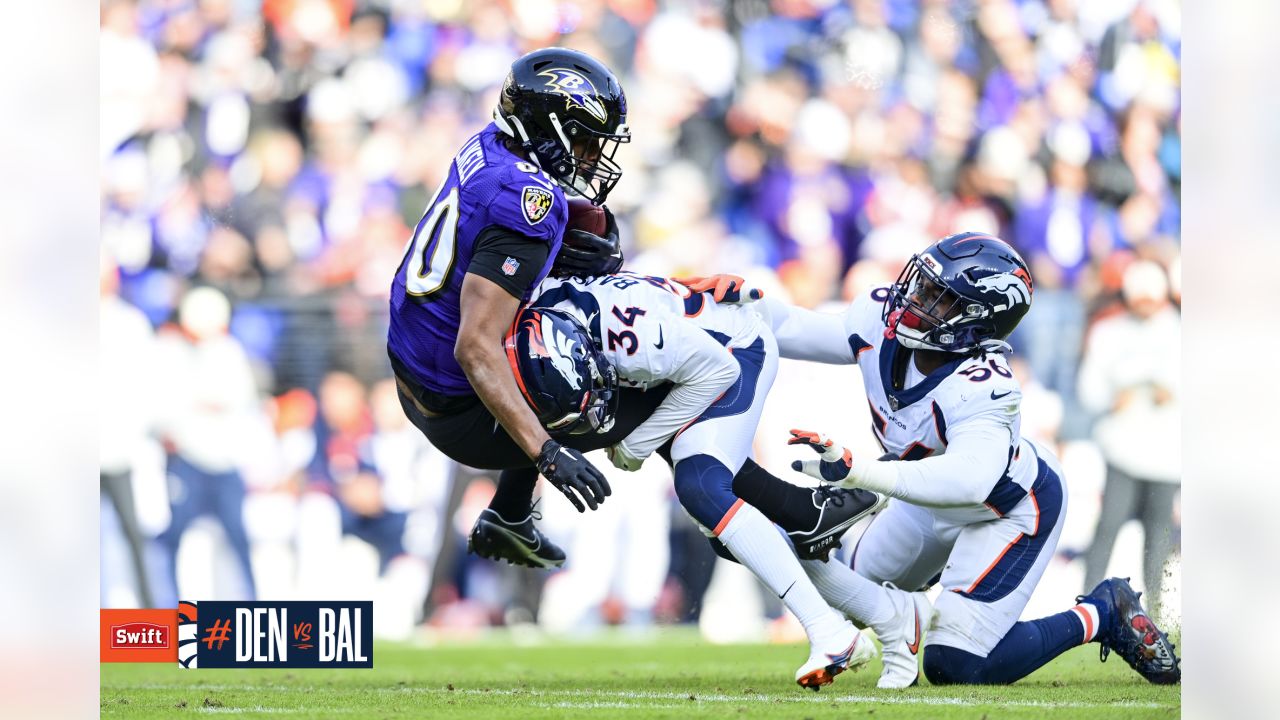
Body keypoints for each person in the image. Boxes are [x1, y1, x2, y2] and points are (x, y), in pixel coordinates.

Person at [685, 232, 1180, 688]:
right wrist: (733, 305)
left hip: (1007, 510)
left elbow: (964, 482)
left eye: (937, 298)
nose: (914, 301)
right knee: (838, 575)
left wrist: (858, 471)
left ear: (977, 320)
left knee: (955, 665)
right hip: (922, 501)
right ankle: (912, 613)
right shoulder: (882, 325)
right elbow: (794, 326)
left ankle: (1100, 613)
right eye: (920, 284)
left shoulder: (987, 385)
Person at [510, 273, 880, 688]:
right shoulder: (539, 312)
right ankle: (890, 610)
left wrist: (636, 446)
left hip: (736, 348)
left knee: (701, 486)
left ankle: (828, 629)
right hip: (707, 329)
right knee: (722, 526)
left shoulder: (631, 342)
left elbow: (718, 370)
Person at [386, 47, 635, 569]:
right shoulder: (528, 201)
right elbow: (476, 345)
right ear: (549, 128)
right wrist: (546, 451)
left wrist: (560, 239)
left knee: (552, 314)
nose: (593, 157)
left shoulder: (491, 145)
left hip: (415, 360)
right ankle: (767, 508)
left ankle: (511, 512)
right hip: (456, 402)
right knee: (631, 372)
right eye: (586, 141)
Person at [1077, 260, 1180, 611]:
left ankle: (1156, 610)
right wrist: (1112, 397)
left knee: (1159, 537)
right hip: (1122, 448)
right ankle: (1088, 602)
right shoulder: (1109, 333)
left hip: (1167, 454)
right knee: (1107, 527)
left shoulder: (1180, 332)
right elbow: (1089, 390)